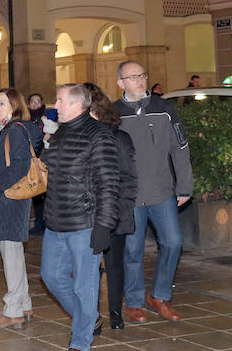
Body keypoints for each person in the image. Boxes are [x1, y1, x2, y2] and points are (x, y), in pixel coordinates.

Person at [40, 84, 119, 351]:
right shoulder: (61, 132)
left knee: (85, 287)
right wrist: (46, 145)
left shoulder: (99, 135)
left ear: (77, 105)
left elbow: (109, 183)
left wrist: (104, 226)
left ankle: (81, 341)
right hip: (55, 221)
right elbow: (49, 167)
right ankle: (90, 318)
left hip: (85, 224)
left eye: (60, 100)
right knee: (51, 276)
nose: (55, 105)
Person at [115, 61, 193, 323]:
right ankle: (135, 301)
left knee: (173, 243)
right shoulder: (113, 115)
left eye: (142, 75)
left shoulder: (165, 109)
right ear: (121, 83)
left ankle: (159, 295)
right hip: (130, 195)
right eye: (133, 77)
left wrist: (185, 185)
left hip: (162, 191)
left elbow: (180, 149)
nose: (140, 80)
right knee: (132, 251)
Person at [0, 88, 42, 329]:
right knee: (13, 254)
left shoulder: (13, 131)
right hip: (12, 197)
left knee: (11, 255)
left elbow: (20, 167)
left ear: (14, 106)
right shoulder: (8, 130)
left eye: (2, 103)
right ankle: (24, 303)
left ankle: (13, 311)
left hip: (10, 198)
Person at [83, 83, 137, 332]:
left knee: (114, 265)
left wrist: (121, 210)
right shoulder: (77, 136)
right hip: (85, 214)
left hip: (113, 211)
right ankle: (92, 316)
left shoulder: (118, 137)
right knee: (88, 268)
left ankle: (115, 312)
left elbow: (128, 177)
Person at [27, 92, 47, 236]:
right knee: (36, 194)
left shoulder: (47, 119)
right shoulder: (26, 120)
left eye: (37, 101)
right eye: (32, 101)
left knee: (47, 194)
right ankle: (39, 223)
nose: (35, 104)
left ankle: (48, 224)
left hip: (45, 161)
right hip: (31, 162)